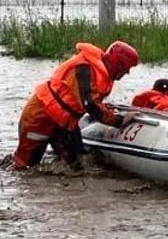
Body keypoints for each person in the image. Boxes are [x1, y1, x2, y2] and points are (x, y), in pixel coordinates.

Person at [12, 40, 139, 171]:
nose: (127, 73)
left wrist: (106, 109)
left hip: (65, 121)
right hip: (40, 116)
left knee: (76, 163)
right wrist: (119, 120)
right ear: (118, 64)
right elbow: (89, 105)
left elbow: (89, 101)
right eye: (126, 68)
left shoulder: (99, 71)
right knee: (26, 165)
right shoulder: (85, 68)